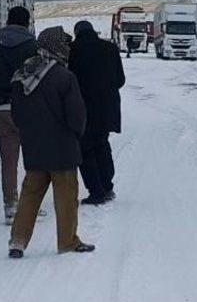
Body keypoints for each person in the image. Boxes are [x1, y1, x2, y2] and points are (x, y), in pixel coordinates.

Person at [8, 26, 95, 258]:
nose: (67, 48)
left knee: (30, 195)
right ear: (55, 46)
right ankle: (67, 241)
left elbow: (15, 114)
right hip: (63, 148)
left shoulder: (22, 75)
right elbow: (76, 116)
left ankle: (17, 241)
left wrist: (28, 132)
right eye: (64, 44)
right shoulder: (65, 77)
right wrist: (77, 135)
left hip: (34, 146)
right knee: (66, 198)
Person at [0, 6, 38, 225]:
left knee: (8, 162)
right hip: (27, 107)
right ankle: (29, 204)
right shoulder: (32, 45)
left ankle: (10, 206)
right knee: (33, 160)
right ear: (26, 22)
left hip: (2, 107)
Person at [69, 21, 126, 205]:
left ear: (77, 33)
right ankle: (107, 186)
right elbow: (120, 79)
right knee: (102, 143)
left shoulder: (73, 50)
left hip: (83, 107)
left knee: (85, 149)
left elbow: (70, 80)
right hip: (107, 107)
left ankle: (96, 191)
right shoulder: (110, 48)